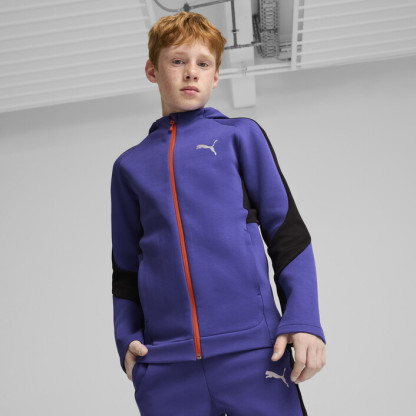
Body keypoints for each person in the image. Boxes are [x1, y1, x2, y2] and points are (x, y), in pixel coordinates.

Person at [111, 11, 326, 416]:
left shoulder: (240, 136)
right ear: (152, 70)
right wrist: (126, 341)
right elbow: (125, 268)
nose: (191, 72)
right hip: (167, 365)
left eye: (203, 63)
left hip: (254, 353)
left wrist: (303, 319)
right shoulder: (129, 167)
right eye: (177, 61)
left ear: (215, 76)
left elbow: (287, 233)